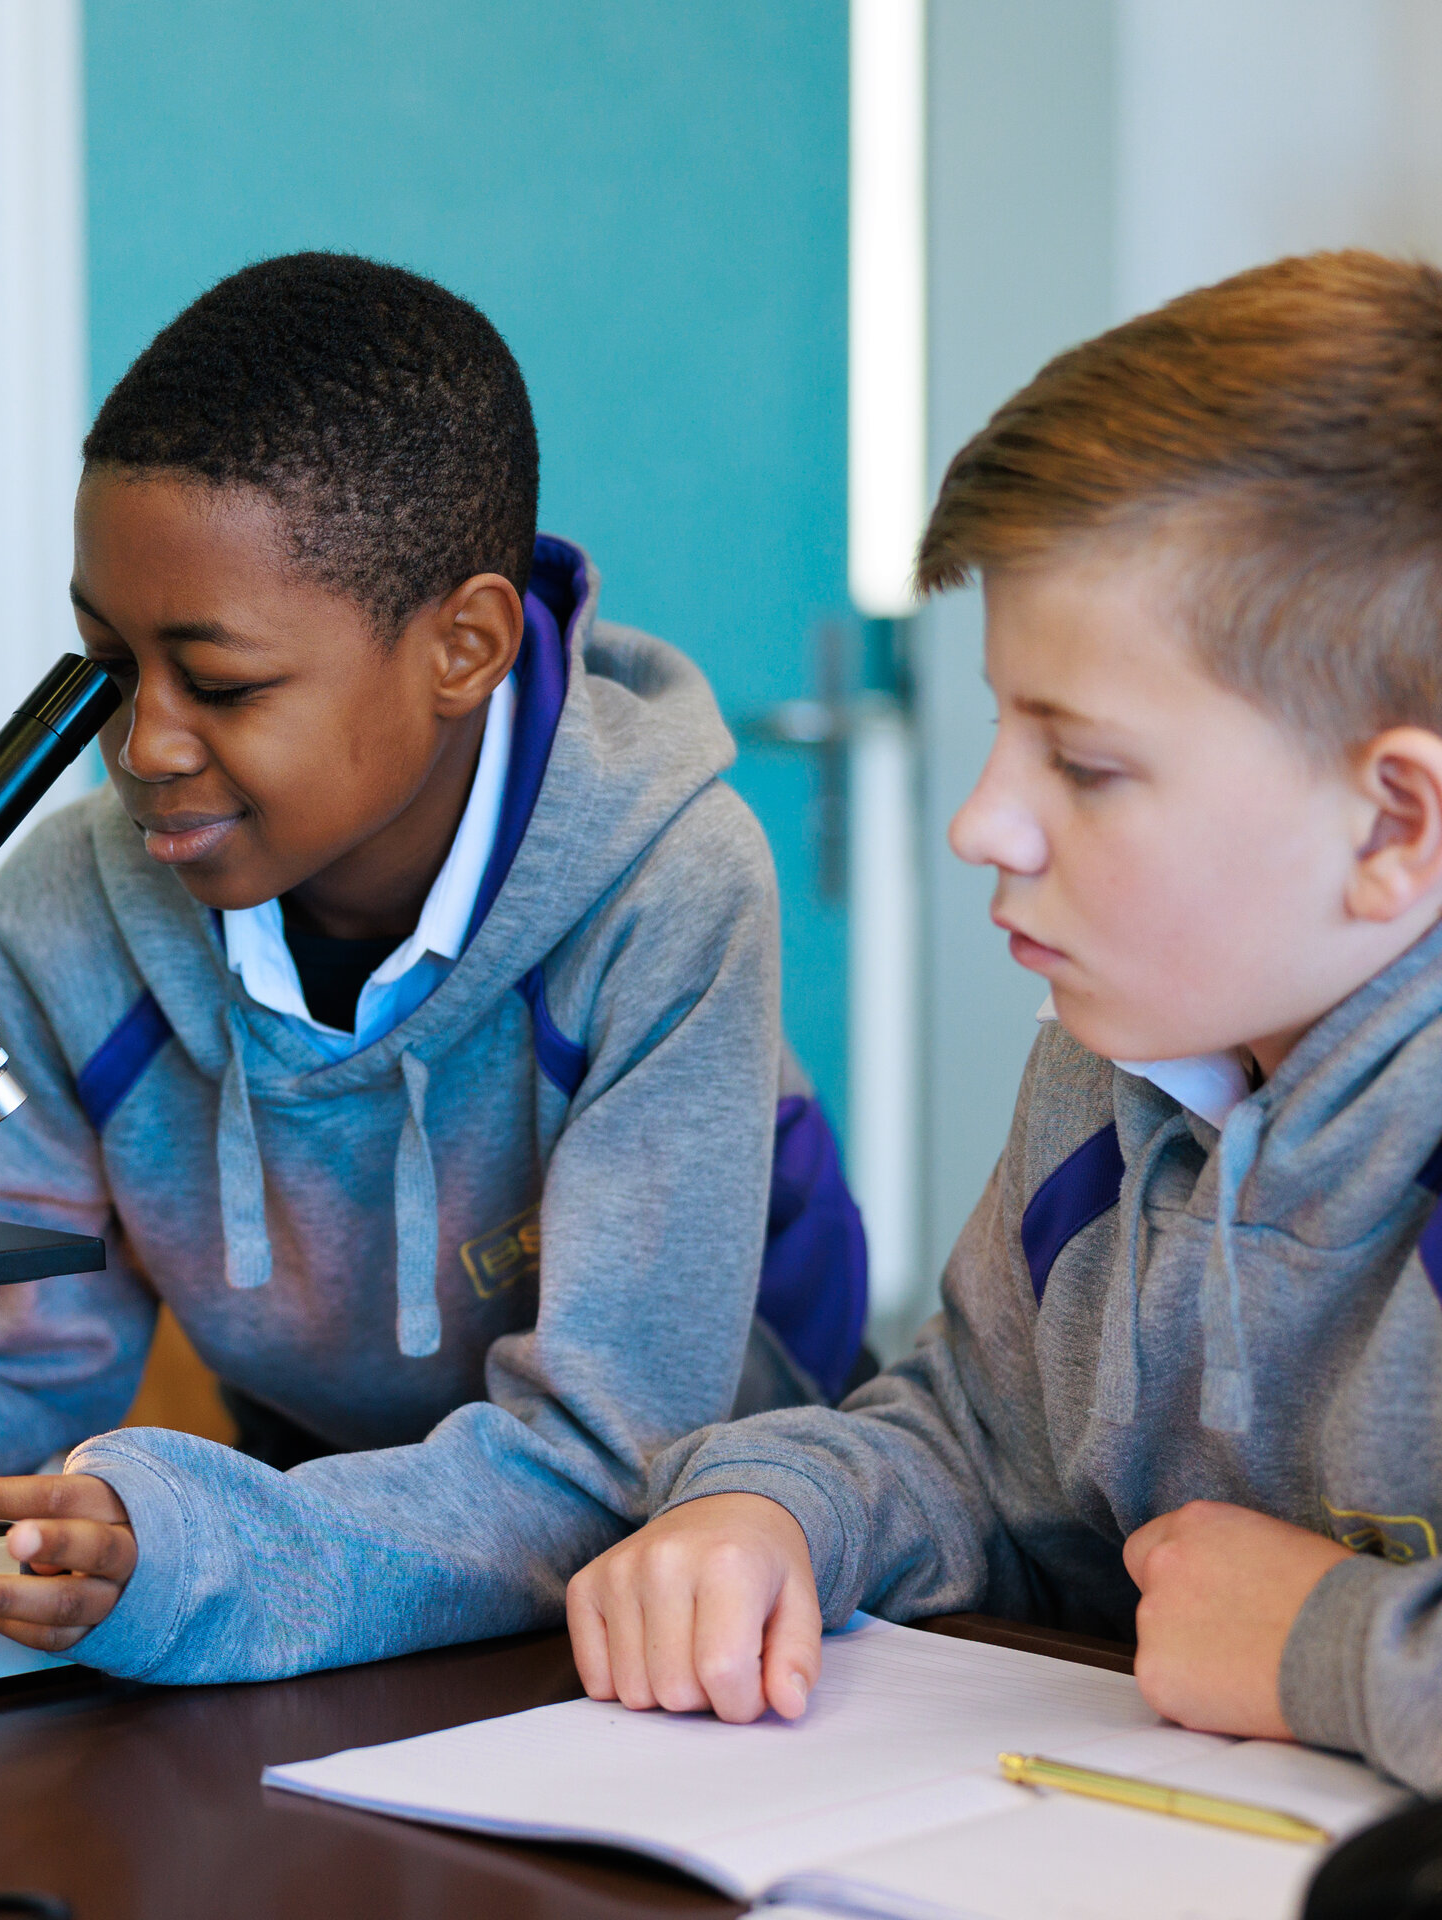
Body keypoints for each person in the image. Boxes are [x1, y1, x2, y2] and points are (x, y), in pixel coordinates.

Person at [0, 252, 865, 1682]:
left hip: (685, 1589)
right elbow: (3, 1358)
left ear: (462, 645)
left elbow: (612, 1457)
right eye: (104, 664)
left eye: (222, 683)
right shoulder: (66, 916)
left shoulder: (670, 895)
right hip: (330, 1550)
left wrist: (217, 1547)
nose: (144, 745)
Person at [566, 250, 1442, 1792]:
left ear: (1394, 826)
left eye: (1085, 766)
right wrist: (774, 1508)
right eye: (997, 726)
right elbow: (976, 1444)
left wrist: (1326, 1645)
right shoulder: (1111, 1073)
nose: (984, 823)